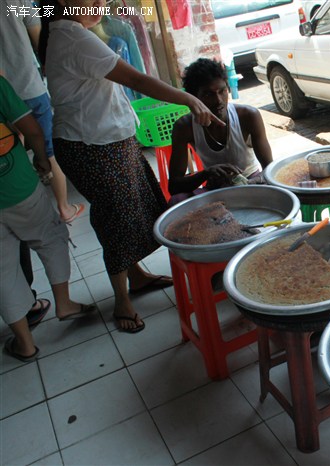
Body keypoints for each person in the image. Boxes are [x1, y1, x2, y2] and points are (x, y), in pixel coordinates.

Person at [39, 0, 223, 333]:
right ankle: (121, 300)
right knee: (117, 220)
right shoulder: (72, 36)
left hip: (108, 141)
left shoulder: (71, 32)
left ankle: (136, 277)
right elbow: (136, 79)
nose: (100, 3)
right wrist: (188, 98)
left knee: (133, 210)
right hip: (94, 147)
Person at [1, 76, 96, 362]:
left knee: (2, 271)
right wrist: (41, 158)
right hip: (18, 186)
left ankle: (25, 345)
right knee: (50, 238)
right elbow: (32, 128)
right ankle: (64, 304)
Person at [0, 0, 85, 224]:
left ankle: (25, 211)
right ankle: (64, 208)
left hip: (2, 92)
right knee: (49, 152)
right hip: (28, 86)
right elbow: (40, 42)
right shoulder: (15, 2)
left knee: (11, 149)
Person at [169, 58, 273, 201]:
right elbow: (174, 186)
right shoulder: (184, 127)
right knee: (177, 200)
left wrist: (253, 182)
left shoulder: (248, 116)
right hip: (215, 189)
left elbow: (271, 169)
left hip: (250, 181)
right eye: (208, 94)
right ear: (194, 99)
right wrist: (206, 174)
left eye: (222, 91)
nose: (218, 100)